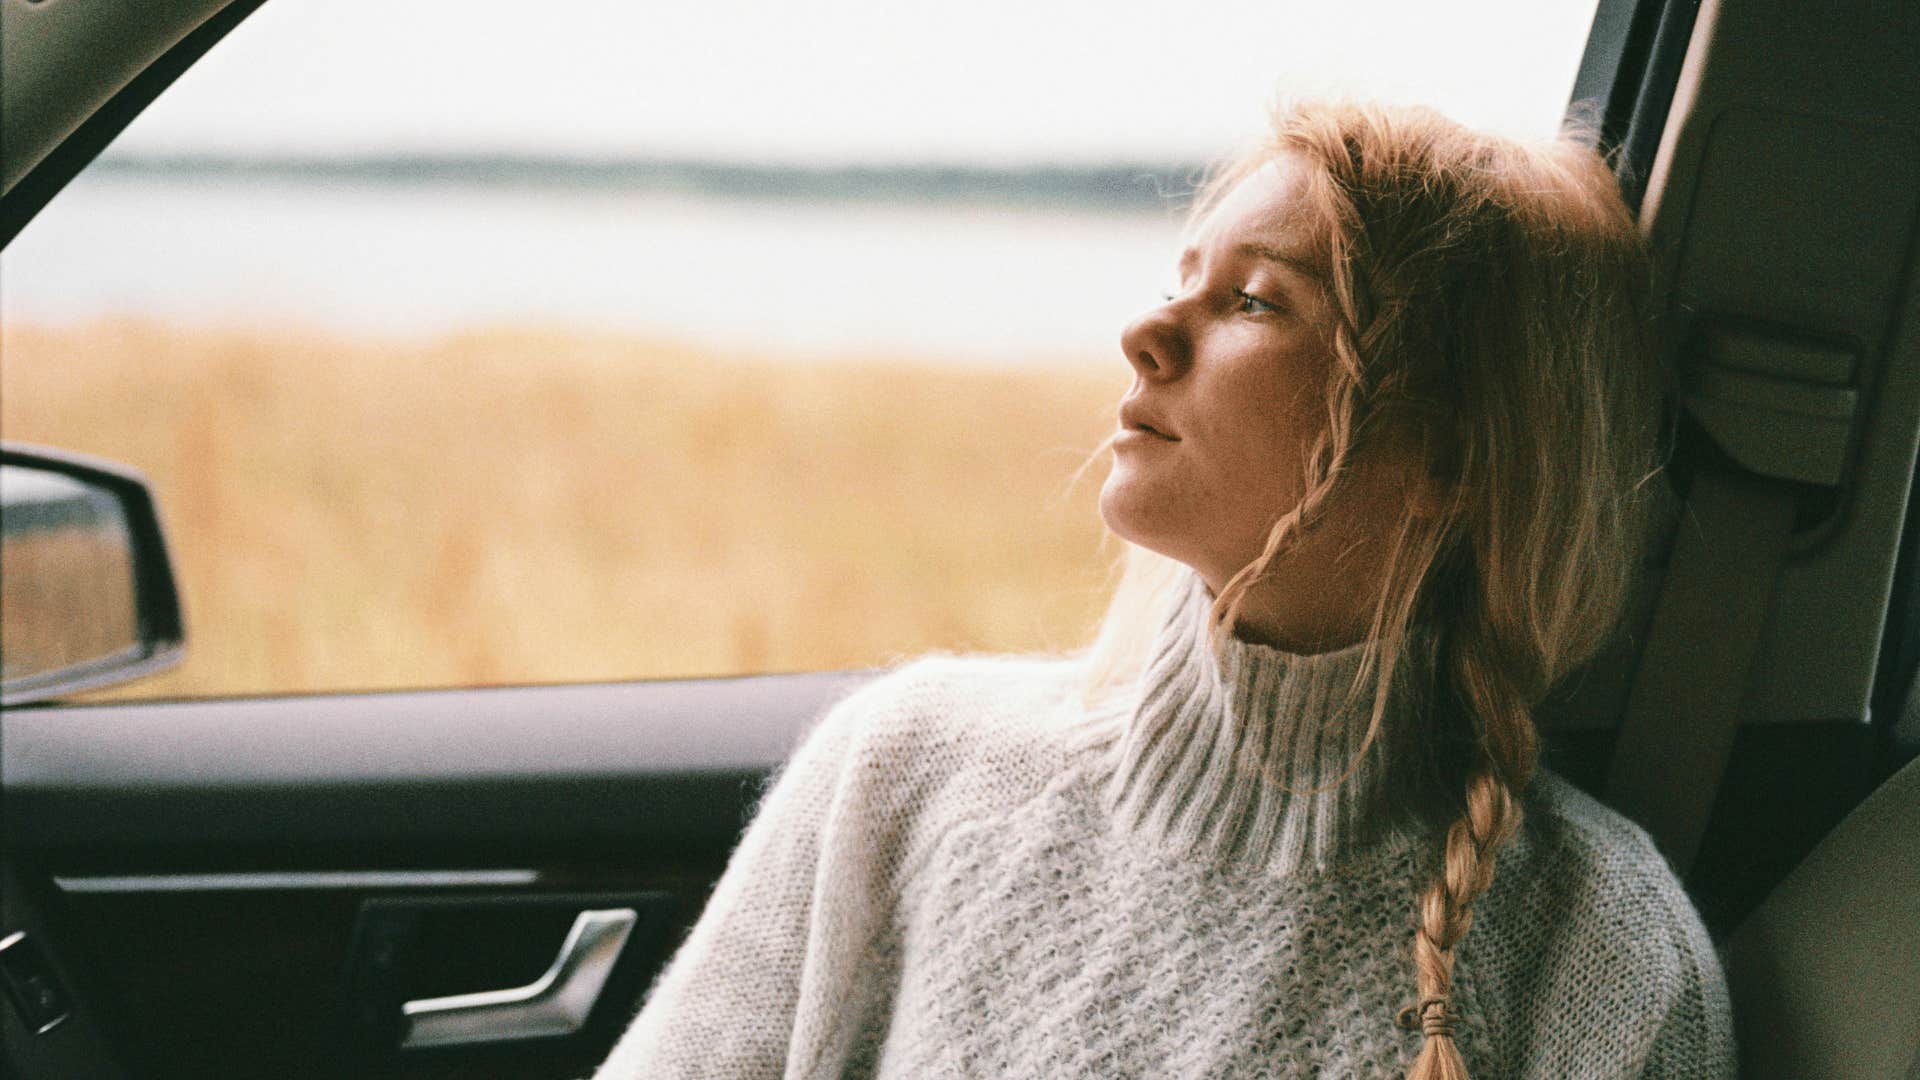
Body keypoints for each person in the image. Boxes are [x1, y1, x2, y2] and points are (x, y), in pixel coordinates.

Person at [595, 100, 1736, 1079]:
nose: (1144, 334)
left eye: (1253, 302)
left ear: (1449, 452)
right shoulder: (908, 766)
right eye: (1182, 279)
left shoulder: (1603, 956)